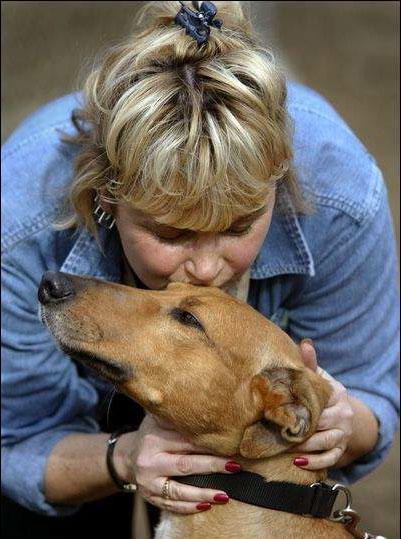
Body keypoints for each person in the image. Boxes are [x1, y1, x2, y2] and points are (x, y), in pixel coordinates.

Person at [1, 1, 399, 538]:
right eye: (171, 234)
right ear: (107, 197)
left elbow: (372, 390)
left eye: (239, 227)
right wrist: (122, 459)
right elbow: (15, 441)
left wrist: (339, 420)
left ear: (277, 188)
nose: (208, 269)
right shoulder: (19, 221)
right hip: (68, 420)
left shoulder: (340, 196)